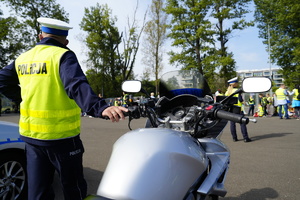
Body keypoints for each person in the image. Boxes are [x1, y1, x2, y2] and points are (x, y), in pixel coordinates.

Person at [0, 17, 128, 200]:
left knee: (38, 193)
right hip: (62, 138)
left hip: (32, 138)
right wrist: (99, 107)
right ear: (65, 41)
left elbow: (2, 80)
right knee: (73, 189)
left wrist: (22, 99)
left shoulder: (23, 58)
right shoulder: (62, 55)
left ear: (40, 36)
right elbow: (76, 85)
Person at [225, 77, 251, 142]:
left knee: (232, 124)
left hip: (231, 109)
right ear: (234, 84)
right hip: (238, 109)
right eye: (237, 82)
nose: (237, 84)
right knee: (242, 123)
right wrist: (244, 102)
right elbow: (240, 99)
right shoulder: (237, 90)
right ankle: (245, 138)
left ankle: (234, 138)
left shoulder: (227, 92)